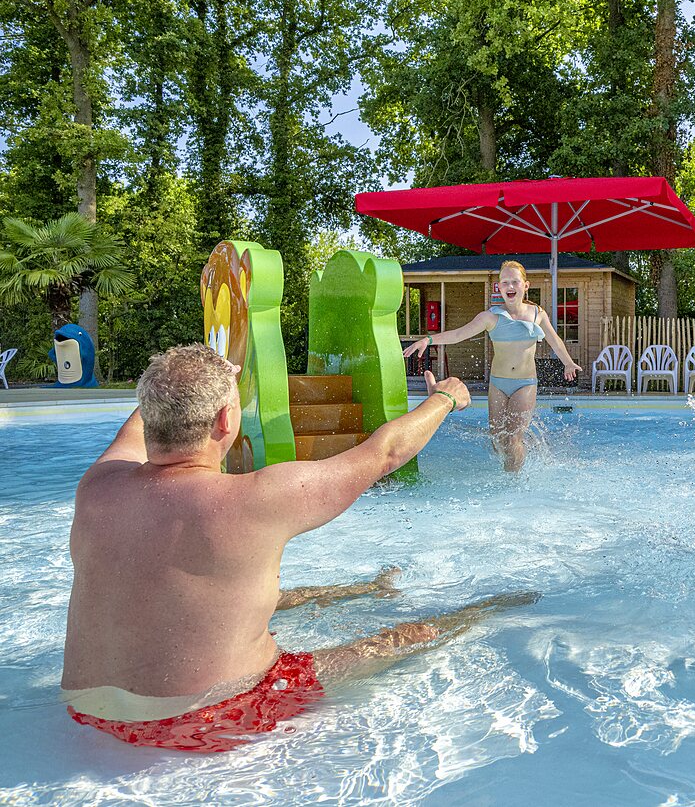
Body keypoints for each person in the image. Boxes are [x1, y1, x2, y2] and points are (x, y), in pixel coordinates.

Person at [61, 344, 538, 753]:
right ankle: (493, 608)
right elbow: (385, 453)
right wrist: (444, 397)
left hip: (85, 713)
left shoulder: (97, 487)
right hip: (213, 717)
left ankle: (357, 589)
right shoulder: (256, 498)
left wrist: (193, 383)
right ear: (226, 419)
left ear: (150, 412)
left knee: (266, 595)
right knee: (412, 635)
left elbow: (142, 423)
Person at [402, 259, 583, 472]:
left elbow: (555, 341)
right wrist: (428, 339)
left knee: (512, 438)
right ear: (499, 287)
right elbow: (459, 334)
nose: (510, 286)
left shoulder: (537, 315)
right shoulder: (491, 317)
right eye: (505, 282)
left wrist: (568, 363)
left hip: (525, 384)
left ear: (526, 285)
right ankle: (517, 458)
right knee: (497, 438)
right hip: (497, 384)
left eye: (515, 281)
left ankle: (512, 480)